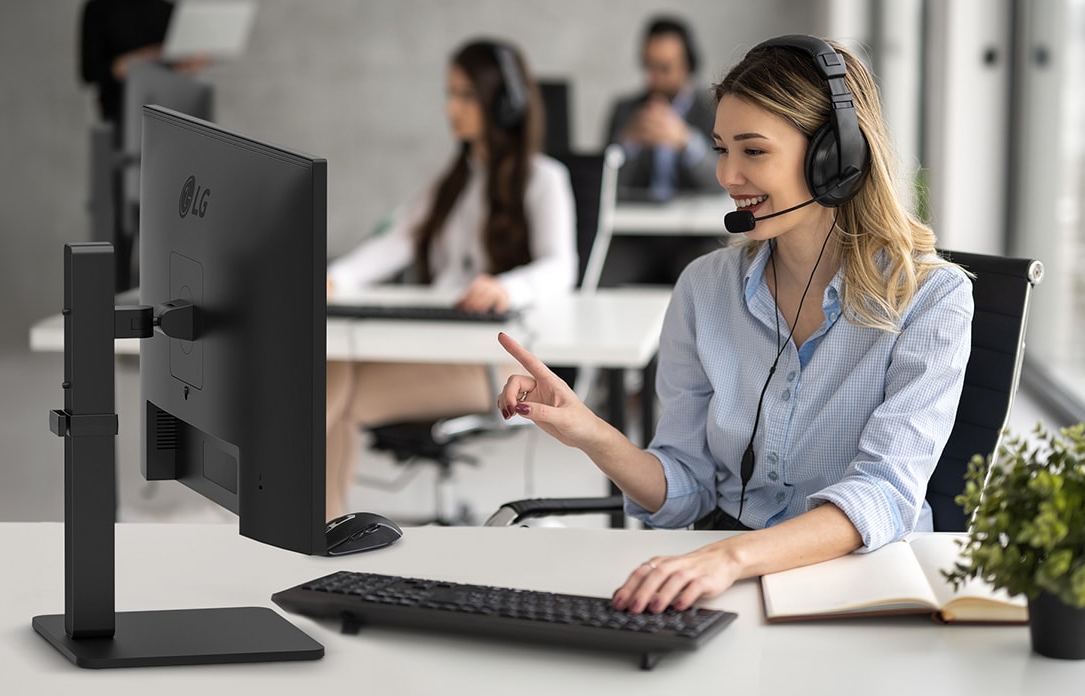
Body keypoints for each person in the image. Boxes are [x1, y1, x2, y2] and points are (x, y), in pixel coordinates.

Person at [497, 35, 974, 614]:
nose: (727, 174)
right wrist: (591, 432)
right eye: (721, 148)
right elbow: (686, 486)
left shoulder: (932, 298)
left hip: (859, 585)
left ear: (835, 157)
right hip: (729, 575)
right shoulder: (705, 288)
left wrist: (730, 557)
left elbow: (884, 493)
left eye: (753, 150)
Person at [325, 39, 577, 521]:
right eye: (450, 94)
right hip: (433, 347)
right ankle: (321, 527)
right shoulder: (453, 181)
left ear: (502, 104)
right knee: (331, 370)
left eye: (466, 95)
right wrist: (334, 279)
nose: (452, 108)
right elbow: (396, 242)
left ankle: (317, 527)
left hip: (490, 364)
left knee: (330, 393)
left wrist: (508, 288)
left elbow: (561, 267)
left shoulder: (544, 179)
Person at [605, 16, 719, 202]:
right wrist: (627, 144)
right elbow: (606, 185)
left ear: (687, 66)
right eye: (649, 66)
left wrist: (687, 141)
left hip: (696, 219)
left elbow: (724, 183)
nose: (654, 78)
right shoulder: (625, 110)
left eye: (664, 68)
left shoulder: (713, 108)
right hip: (637, 217)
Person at [78, 0, 209, 135]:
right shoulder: (99, 8)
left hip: (172, 111)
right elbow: (90, 72)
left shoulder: (170, 10)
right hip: (121, 114)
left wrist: (190, 62)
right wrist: (154, 56)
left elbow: (180, 70)